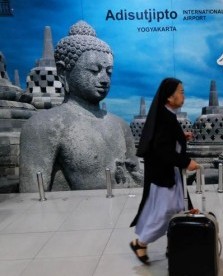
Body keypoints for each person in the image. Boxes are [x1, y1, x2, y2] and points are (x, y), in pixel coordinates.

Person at [19, 21, 142, 191]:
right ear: (63, 72)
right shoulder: (45, 125)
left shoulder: (120, 126)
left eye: (109, 72)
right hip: (73, 215)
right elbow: (32, 200)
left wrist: (137, 176)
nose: (105, 79)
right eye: (94, 70)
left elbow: (135, 182)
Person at [129, 77, 200, 265]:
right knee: (165, 212)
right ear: (170, 96)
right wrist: (186, 162)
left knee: (178, 208)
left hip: (169, 173)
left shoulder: (166, 114)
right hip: (164, 174)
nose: (183, 96)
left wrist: (181, 136)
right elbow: (162, 149)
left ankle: (173, 245)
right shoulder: (164, 117)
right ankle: (140, 243)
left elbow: (166, 138)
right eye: (181, 92)